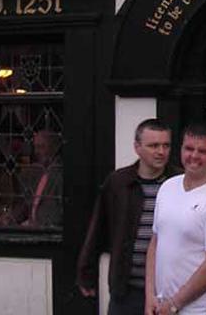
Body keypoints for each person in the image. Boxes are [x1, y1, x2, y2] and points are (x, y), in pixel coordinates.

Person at [75, 119, 179, 314]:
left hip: (168, 289)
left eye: (166, 145)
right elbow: (98, 229)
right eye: (153, 145)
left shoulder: (179, 183)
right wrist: (86, 272)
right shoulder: (118, 182)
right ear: (137, 147)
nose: (161, 152)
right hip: (126, 288)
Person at [145, 122, 206, 315]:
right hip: (161, 307)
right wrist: (150, 296)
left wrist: (174, 304)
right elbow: (155, 243)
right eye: (189, 148)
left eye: (203, 151)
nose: (194, 156)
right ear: (181, 149)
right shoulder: (167, 187)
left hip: (202, 310)